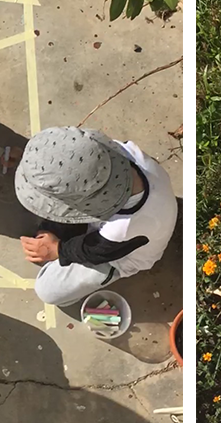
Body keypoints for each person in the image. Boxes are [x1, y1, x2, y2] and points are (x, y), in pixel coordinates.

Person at [14, 127, 177, 306]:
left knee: (47, 291)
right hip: (112, 218)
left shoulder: (125, 227)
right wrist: (35, 165)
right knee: (49, 220)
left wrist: (58, 249)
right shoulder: (113, 153)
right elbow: (68, 162)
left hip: (119, 256)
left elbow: (93, 251)